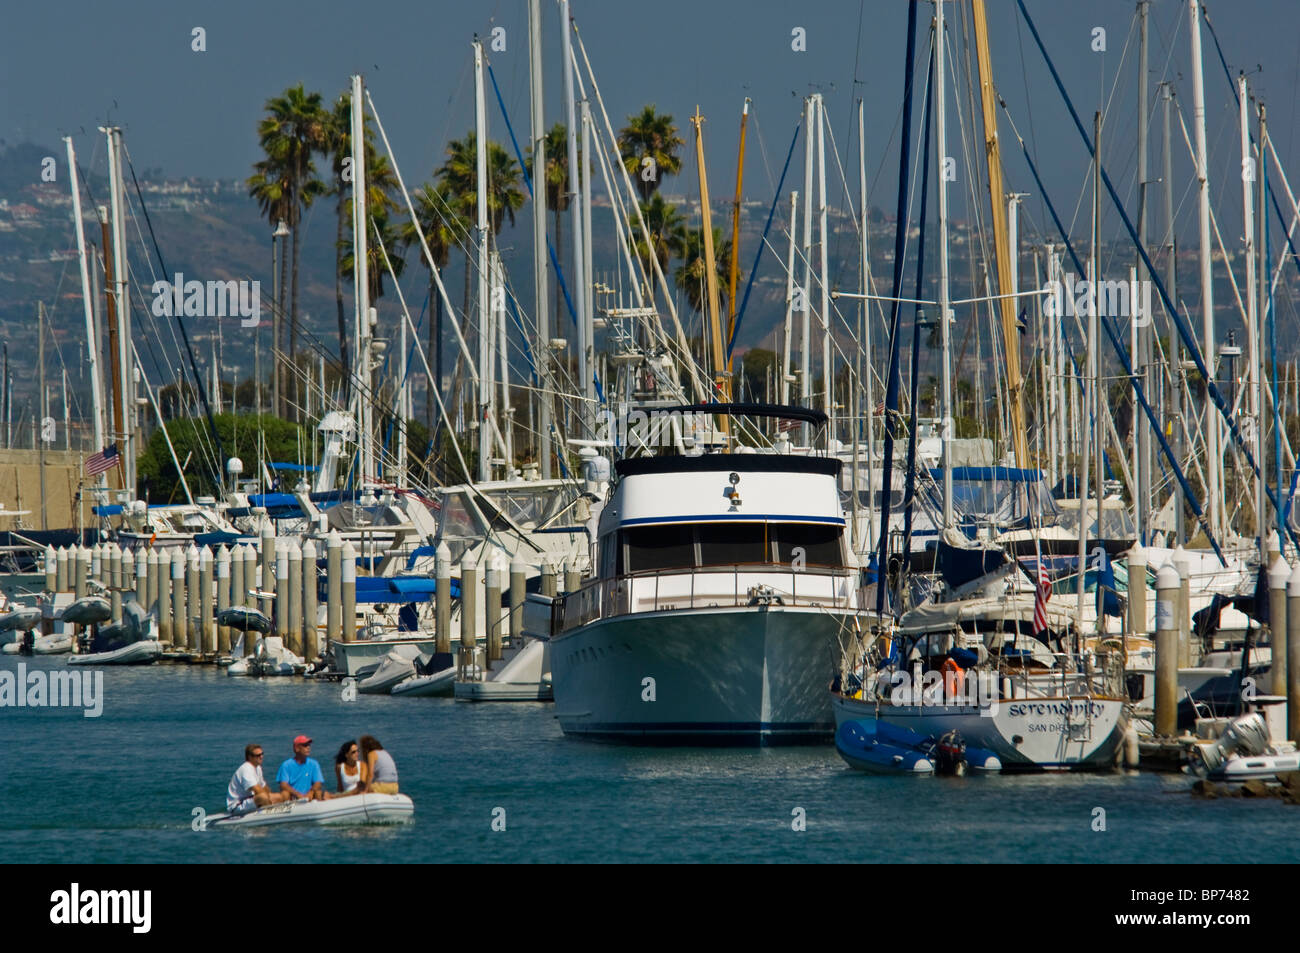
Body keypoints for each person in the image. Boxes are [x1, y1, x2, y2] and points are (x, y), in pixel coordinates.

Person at [226, 744, 288, 814]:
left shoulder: (258, 768)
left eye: (262, 754)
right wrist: (271, 800)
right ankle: (270, 812)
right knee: (263, 797)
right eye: (258, 755)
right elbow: (258, 790)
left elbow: (264, 787)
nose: (261, 757)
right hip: (237, 805)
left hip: (249, 800)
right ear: (250, 757)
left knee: (282, 795)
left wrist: (276, 797)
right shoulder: (246, 769)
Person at [276, 735, 329, 801]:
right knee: (285, 793)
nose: (308, 747)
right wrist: (298, 795)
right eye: (305, 745)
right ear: (297, 748)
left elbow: (318, 783)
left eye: (309, 745)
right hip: (293, 797)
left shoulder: (314, 764)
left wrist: (310, 793)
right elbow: (283, 785)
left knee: (318, 792)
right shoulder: (286, 765)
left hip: (309, 796)